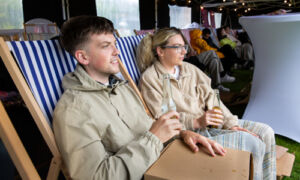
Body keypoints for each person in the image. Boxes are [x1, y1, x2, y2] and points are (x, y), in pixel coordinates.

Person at [52, 15, 226, 180]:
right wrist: (155, 138)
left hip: (170, 158)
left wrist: (183, 134)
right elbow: (97, 176)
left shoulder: (122, 88)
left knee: (245, 153)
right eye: (106, 46)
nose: (117, 52)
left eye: (115, 44)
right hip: (155, 172)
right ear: (83, 56)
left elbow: (151, 128)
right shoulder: (73, 109)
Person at [137, 27, 276, 180]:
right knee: (252, 142)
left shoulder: (190, 70)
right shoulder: (150, 79)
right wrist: (196, 122)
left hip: (208, 127)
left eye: (184, 46)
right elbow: (163, 118)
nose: (184, 51)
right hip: (184, 137)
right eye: (177, 47)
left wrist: (230, 124)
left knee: (266, 132)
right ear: (160, 51)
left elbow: (212, 98)